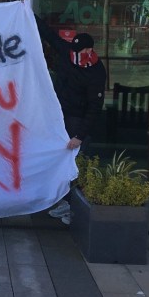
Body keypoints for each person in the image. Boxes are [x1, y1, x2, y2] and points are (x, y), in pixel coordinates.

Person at [34, 15, 108, 224]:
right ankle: (60, 202)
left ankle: (72, 206)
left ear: (89, 51)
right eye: (74, 51)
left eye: (81, 52)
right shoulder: (67, 53)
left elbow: (95, 107)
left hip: (78, 121)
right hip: (57, 117)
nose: (76, 55)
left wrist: (79, 136)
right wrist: (28, 11)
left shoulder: (95, 72)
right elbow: (48, 34)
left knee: (74, 164)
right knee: (55, 161)